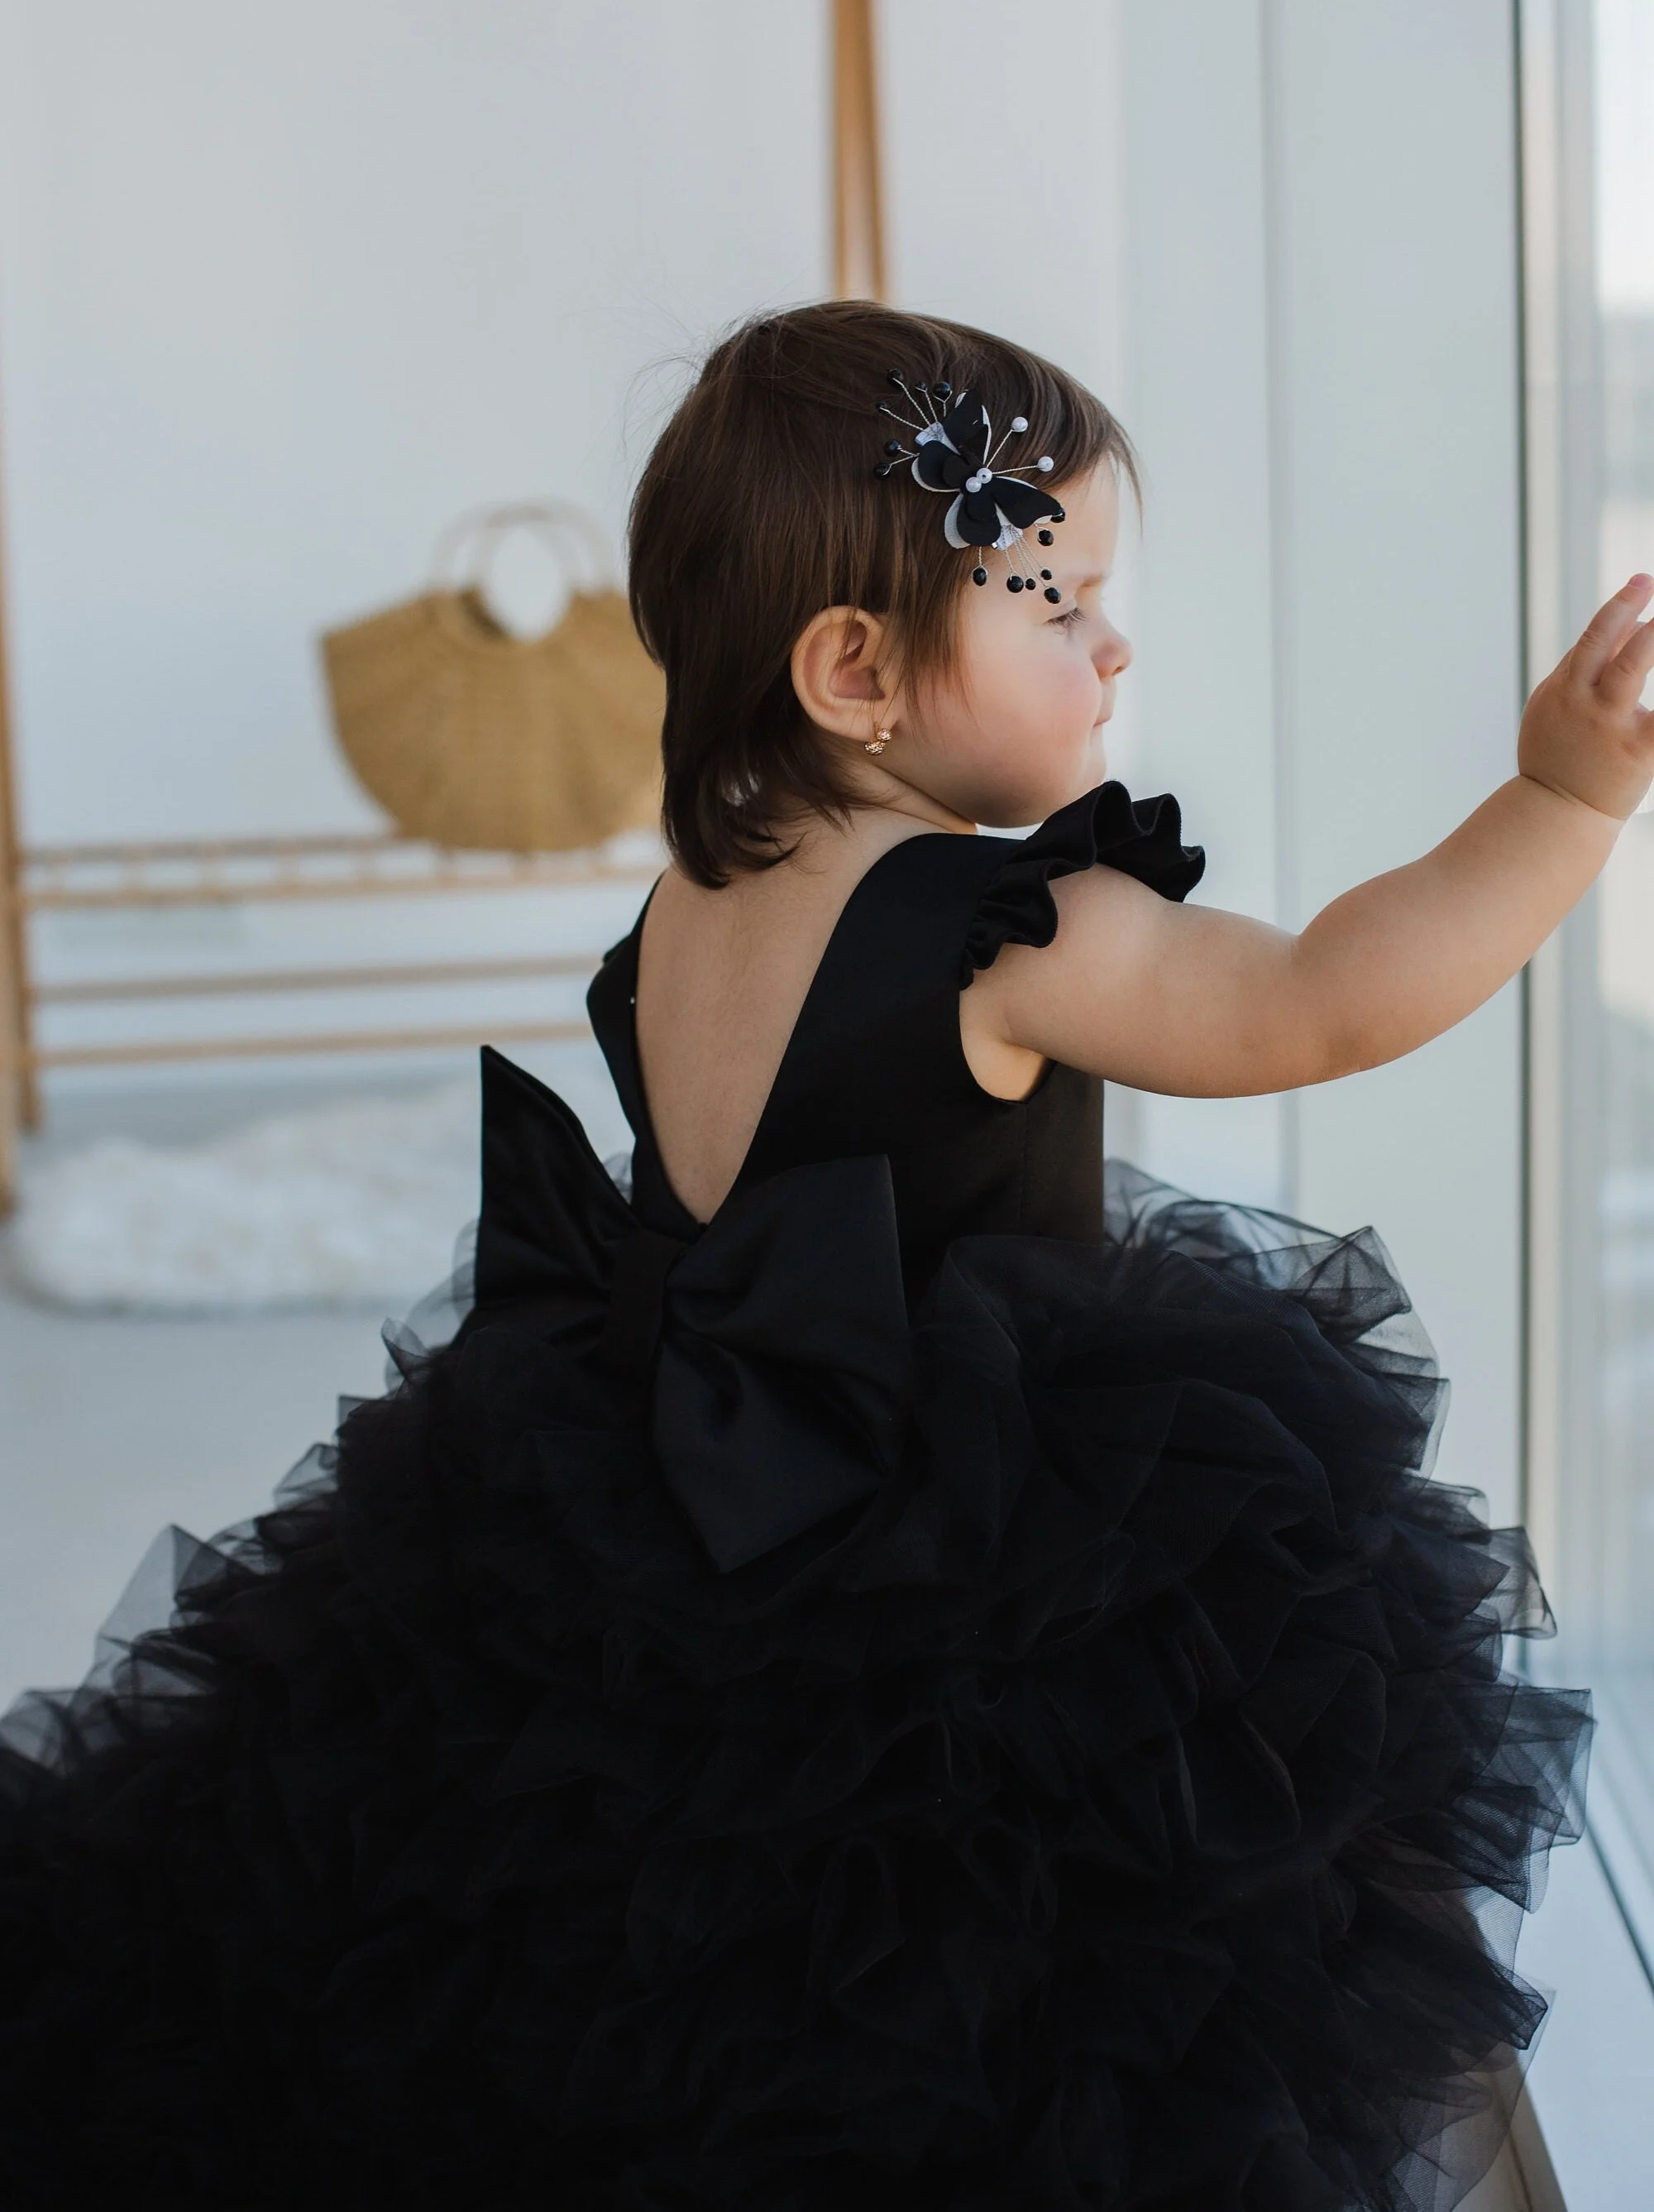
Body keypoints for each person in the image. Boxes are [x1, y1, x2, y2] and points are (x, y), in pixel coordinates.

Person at [0, 298, 1637, 2211]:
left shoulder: (692, 889)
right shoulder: (1000, 924)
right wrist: (1561, 798)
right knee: (1015, 1984)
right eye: (1054, 596)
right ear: (856, 667)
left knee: (642, 1944)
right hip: (961, 1555)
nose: (1110, 642)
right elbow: (1319, 1002)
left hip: (666, 1493)